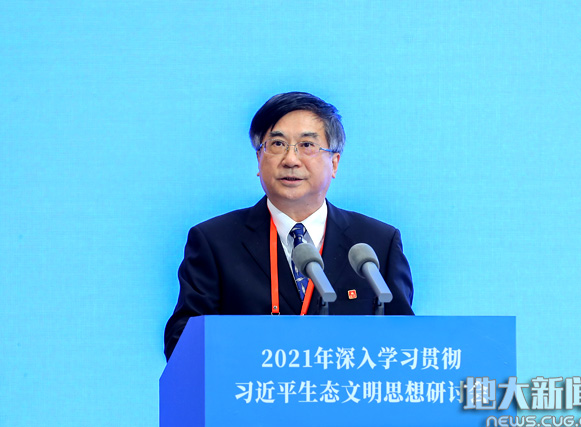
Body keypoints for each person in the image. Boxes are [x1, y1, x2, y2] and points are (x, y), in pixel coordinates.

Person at [164, 92, 414, 360]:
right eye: (277, 144)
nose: (291, 160)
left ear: (334, 163)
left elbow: (407, 344)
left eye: (307, 145)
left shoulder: (377, 243)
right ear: (259, 159)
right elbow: (182, 344)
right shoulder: (215, 241)